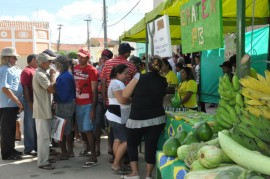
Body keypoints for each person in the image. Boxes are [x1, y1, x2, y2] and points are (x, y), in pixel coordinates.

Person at [122, 55, 167, 179]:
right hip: (157, 118)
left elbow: (125, 94)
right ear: (161, 67)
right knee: (151, 146)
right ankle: (148, 175)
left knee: (132, 144)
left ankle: (135, 173)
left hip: (138, 117)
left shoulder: (138, 77)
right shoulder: (163, 80)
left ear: (147, 65)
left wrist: (135, 98)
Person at [100, 43, 137, 163]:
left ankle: (114, 156)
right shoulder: (130, 65)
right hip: (121, 104)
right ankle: (121, 159)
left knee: (115, 135)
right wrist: (131, 99)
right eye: (129, 52)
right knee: (124, 135)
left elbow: (104, 81)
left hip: (110, 101)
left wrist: (105, 97)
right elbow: (134, 84)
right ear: (126, 53)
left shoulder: (108, 63)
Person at [74, 48, 98, 168]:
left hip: (88, 104)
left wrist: (93, 109)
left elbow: (94, 91)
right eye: (79, 56)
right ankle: (87, 148)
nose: (80, 58)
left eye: (82, 56)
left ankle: (93, 156)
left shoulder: (92, 70)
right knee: (82, 129)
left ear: (88, 58)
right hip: (78, 103)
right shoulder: (75, 68)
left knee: (88, 130)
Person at [106, 64, 131, 175]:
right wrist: (131, 99)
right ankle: (116, 164)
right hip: (117, 117)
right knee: (126, 141)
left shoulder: (116, 82)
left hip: (116, 116)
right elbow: (121, 100)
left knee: (117, 140)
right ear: (118, 74)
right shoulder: (116, 83)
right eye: (125, 73)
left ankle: (118, 163)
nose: (127, 76)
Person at [32, 53, 56, 170]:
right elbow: (51, 89)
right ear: (42, 63)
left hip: (44, 109)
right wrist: (53, 76)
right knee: (43, 137)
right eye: (49, 61)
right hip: (42, 109)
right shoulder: (40, 74)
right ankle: (42, 162)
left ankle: (44, 158)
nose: (50, 64)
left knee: (46, 136)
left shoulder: (42, 73)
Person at [0, 47, 23, 160]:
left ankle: (11, 149)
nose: (15, 59)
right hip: (7, 105)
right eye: (14, 57)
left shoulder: (10, 69)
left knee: (11, 129)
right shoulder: (5, 70)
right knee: (7, 130)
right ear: (7, 58)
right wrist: (18, 101)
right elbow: (5, 88)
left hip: (10, 104)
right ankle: (7, 153)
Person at [54, 55, 76, 160]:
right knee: (67, 129)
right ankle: (69, 151)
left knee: (62, 130)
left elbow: (63, 94)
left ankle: (65, 152)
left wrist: (53, 90)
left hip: (64, 104)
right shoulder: (66, 74)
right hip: (67, 103)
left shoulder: (65, 76)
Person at [95, 49, 113, 157]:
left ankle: (110, 147)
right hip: (99, 101)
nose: (103, 60)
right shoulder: (97, 70)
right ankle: (97, 147)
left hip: (110, 101)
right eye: (102, 58)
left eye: (106, 58)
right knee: (97, 124)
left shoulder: (113, 69)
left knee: (110, 125)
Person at [20, 54, 38, 156]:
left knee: (34, 125)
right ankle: (29, 148)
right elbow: (25, 88)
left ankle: (35, 146)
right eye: (37, 60)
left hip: (35, 101)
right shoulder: (26, 71)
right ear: (33, 60)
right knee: (29, 126)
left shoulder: (34, 70)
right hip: (29, 102)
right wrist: (30, 103)